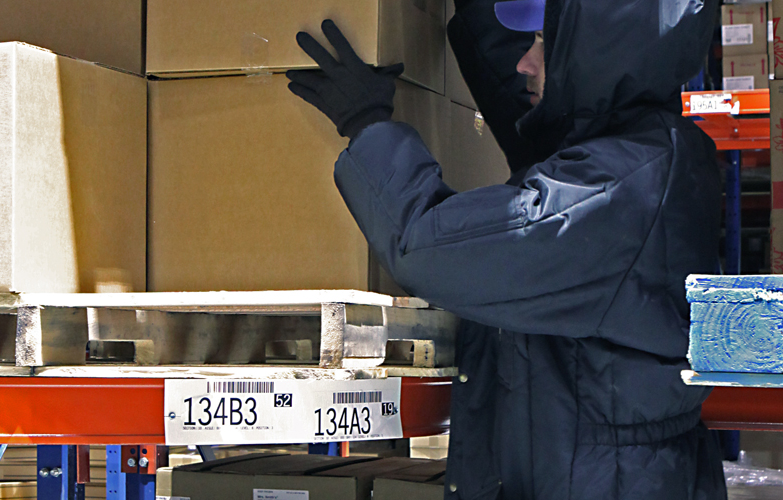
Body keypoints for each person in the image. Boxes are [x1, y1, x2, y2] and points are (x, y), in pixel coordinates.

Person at [284, 0, 726, 497]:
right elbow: (527, 101)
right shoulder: (641, 145)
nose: (524, 63)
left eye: (543, 44)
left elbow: (428, 247)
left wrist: (366, 121)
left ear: (595, 55)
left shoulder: (612, 192)